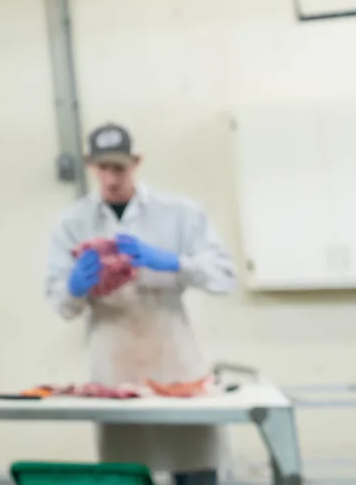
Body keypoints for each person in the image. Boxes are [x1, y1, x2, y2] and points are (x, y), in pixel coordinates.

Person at [45, 123, 236, 485]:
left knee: (195, 466)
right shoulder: (73, 222)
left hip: (175, 359)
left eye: (119, 167)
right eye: (103, 168)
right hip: (113, 363)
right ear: (90, 165)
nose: (111, 178)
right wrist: (74, 288)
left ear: (137, 162)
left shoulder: (180, 212)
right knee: (126, 471)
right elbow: (61, 304)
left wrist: (176, 263)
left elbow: (224, 277)